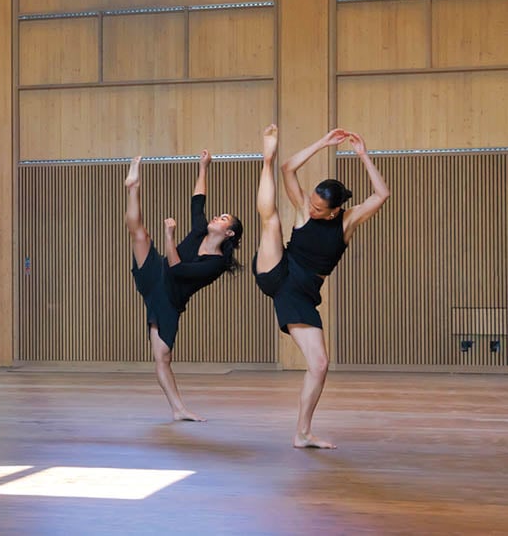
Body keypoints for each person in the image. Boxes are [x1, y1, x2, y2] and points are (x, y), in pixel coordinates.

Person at [255, 125, 390, 449]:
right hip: (278, 272)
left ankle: (303, 433)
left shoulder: (348, 221)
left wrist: (362, 155)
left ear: (336, 210)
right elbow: (290, 169)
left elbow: (382, 195)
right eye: (312, 203)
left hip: (303, 295)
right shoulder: (304, 208)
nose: (311, 209)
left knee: (319, 365)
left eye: (319, 208)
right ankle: (265, 157)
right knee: (271, 219)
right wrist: (323, 143)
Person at [124, 150, 244, 421]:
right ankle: (133, 188)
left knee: (162, 357)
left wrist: (169, 236)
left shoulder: (215, 264)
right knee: (139, 234)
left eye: (224, 218)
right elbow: (198, 201)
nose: (217, 217)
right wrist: (203, 167)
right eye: (219, 214)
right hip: (156, 275)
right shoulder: (201, 230)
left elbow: (177, 269)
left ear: (229, 233)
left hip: (169, 298)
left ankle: (178, 409)